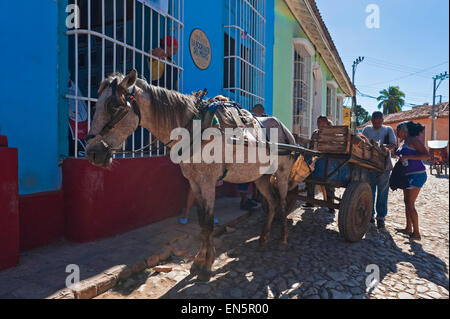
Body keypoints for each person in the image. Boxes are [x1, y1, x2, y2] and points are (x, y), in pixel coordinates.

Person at [361, 111, 397, 229]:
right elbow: (362, 142)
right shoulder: (366, 129)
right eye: (374, 122)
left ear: (382, 120)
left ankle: (381, 217)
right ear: (371, 120)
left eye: (379, 121)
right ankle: (370, 215)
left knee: (383, 192)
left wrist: (382, 148)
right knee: (369, 191)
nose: (377, 123)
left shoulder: (388, 130)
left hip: (383, 166)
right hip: (369, 166)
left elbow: (393, 145)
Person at [394, 121, 429, 240]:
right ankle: (408, 228)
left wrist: (409, 157)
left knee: (410, 203)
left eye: (398, 130)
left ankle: (417, 232)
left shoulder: (414, 140)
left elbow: (426, 155)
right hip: (406, 175)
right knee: (406, 202)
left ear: (405, 130)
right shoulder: (404, 142)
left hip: (417, 175)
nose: (396, 132)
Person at [303, 116, 335, 212]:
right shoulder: (315, 133)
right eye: (318, 122)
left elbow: (334, 147)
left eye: (320, 122)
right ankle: (310, 202)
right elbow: (311, 145)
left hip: (327, 159)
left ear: (325, 123)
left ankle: (331, 205)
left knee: (329, 182)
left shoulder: (331, 133)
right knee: (310, 179)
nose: (318, 124)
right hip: (315, 159)